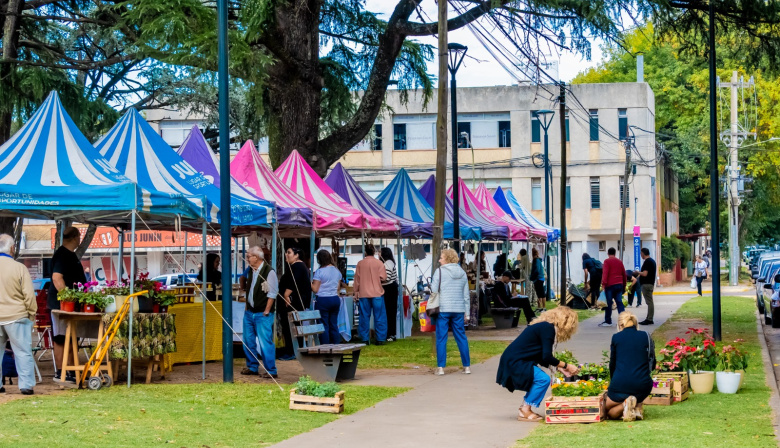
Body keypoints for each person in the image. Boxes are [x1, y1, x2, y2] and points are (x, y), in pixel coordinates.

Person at [496, 307, 580, 421]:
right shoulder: (548, 328)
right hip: (516, 361)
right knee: (542, 379)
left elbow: (540, 355)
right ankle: (524, 410)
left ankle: (525, 408)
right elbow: (546, 356)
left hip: (514, 359)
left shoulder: (544, 326)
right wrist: (567, 365)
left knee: (540, 379)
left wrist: (559, 367)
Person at [48, 226, 87, 383]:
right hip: (61, 306)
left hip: (68, 305)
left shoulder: (69, 254)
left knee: (71, 337)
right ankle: (61, 371)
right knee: (61, 338)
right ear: (76, 237)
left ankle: (70, 369)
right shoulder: (63, 255)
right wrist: (67, 297)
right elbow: (57, 278)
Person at [0, 234, 37, 395]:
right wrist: (31, 313)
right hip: (16, 315)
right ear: (12, 248)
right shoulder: (19, 267)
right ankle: (26, 385)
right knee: (22, 351)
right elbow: (29, 295)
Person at [605, 311, 655, 422]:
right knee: (636, 395)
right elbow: (652, 362)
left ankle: (626, 404)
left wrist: (612, 382)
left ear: (620, 325)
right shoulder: (645, 336)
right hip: (643, 385)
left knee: (607, 410)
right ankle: (635, 405)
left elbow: (612, 364)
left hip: (620, 384)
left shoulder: (616, 337)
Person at [430, 249, 471, 375]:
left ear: (447, 259)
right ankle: (467, 366)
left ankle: (441, 367)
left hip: (443, 308)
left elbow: (434, 289)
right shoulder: (462, 273)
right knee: (461, 337)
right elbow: (466, 295)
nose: (439, 260)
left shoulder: (440, 271)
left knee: (441, 337)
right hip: (458, 309)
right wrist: (467, 313)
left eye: (441, 258)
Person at [240, 246, 279, 378]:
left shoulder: (269, 271)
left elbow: (273, 293)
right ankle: (252, 366)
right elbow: (249, 288)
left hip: (262, 313)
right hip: (250, 312)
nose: (247, 258)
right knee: (248, 340)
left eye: (248, 256)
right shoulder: (251, 270)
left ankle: (271, 370)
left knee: (265, 342)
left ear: (255, 257)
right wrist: (247, 307)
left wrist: (266, 311)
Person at [278, 247, 312, 359]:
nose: (286, 255)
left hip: (293, 302)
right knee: (293, 327)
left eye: (289, 253)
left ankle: (292, 351)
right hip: (296, 302)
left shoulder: (297, 266)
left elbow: (293, 282)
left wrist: (286, 295)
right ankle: (293, 350)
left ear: (296, 255)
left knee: (290, 327)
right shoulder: (298, 266)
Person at [353, 244, 387, 345]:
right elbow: (384, 277)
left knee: (364, 317)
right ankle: (380, 339)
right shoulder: (379, 263)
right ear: (374, 252)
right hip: (377, 293)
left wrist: (356, 292)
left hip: (364, 293)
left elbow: (357, 280)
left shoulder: (360, 263)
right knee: (379, 317)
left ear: (365, 252)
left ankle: (365, 338)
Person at [311, 250, 343, 345]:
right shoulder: (337, 271)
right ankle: (336, 344)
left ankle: (325, 346)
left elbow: (315, 289)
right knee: (333, 324)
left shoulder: (319, 272)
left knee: (323, 325)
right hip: (334, 298)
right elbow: (338, 287)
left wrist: (309, 283)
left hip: (323, 299)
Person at [599, 247, 626, 327]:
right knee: (619, 302)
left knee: (609, 303)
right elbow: (624, 274)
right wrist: (624, 285)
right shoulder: (619, 262)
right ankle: (624, 320)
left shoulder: (607, 261)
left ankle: (608, 321)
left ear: (608, 253)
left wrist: (603, 284)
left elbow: (605, 273)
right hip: (619, 285)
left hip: (610, 285)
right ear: (615, 253)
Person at [380, 248, 399, 342]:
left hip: (389, 288)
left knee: (389, 312)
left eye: (380, 252)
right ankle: (391, 333)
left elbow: (386, 278)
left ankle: (391, 334)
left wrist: (377, 279)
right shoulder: (389, 262)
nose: (378, 254)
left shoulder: (387, 263)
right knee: (390, 311)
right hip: (391, 288)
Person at [638, 248, 657, 326]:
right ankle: (649, 318)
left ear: (643, 253)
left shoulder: (647, 262)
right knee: (650, 302)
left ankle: (649, 319)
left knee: (649, 302)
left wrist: (637, 272)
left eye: (641, 254)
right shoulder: (652, 261)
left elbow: (645, 274)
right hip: (650, 283)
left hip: (646, 284)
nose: (640, 255)